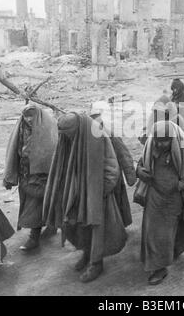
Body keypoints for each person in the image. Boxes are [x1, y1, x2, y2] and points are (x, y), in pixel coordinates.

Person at [43, 113, 129, 283]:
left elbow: (112, 170)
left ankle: (96, 263)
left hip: (97, 196)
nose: (66, 138)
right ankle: (86, 252)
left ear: (78, 129)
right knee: (77, 226)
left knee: (97, 230)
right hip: (75, 193)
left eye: (69, 133)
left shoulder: (98, 137)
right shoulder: (67, 140)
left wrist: (97, 194)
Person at [136, 120, 184, 285]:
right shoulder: (151, 144)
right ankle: (159, 266)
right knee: (153, 231)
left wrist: (183, 184)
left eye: (165, 141)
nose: (160, 144)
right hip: (154, 195)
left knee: (169, 231)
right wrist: (140, 172)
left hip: (175, 197)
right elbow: (140, 164)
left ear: (173, 138)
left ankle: (171, 253)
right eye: (158, 141)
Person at [3, 104, 58, 251]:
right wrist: (10, 176)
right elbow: (14, 150)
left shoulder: (48, 125)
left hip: (42, 175)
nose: (28, 119)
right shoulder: (20, 127)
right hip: (25, 173)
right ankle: (51, 225)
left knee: (35, 205)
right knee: (33, 203)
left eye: (31, 116)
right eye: (25, 116)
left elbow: (52, 150)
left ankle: (34, 238)